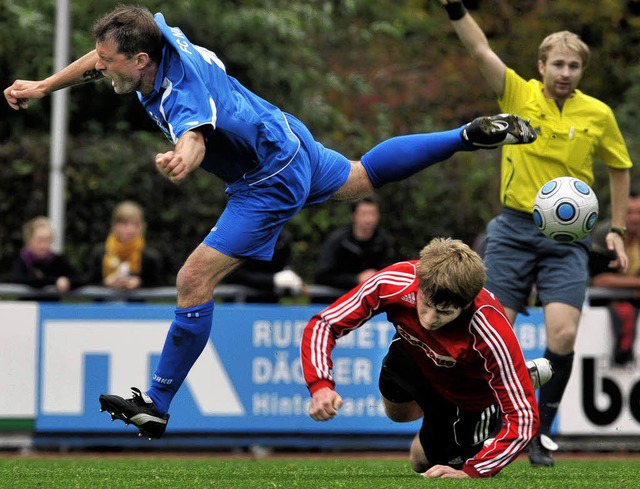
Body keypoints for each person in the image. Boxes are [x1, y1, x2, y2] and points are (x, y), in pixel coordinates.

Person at [4, 5, 536, 439]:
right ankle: (464, 137)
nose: (101, 68)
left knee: (193, 280)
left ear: (141, 59)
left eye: (109, 62)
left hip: (267, 177)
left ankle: (158, 403)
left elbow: (192, 133)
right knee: (359, 177)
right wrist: (44, 86)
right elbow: (102, 61)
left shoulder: (180, 94)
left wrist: (185, 158)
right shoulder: (157, 34)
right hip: (283, 132)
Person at [436, 0, 633, 467]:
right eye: (557, 64)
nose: (565, 72)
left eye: (574, 66)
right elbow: (481, 49)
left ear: (582, 70)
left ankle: (540, 428)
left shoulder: (598, 114)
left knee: (563, 335)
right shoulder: (518, 96)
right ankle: (491, 421)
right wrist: (456, 10)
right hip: (513, 230)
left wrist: (618, 230)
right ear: (541, 66)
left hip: (569, 240)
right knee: (491, 331)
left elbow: (620, 169)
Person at [301, 237, 553, 479]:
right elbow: (325, 324)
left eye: (444, 312)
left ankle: (502, 390)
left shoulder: (490, 328)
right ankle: (513, 381)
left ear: (466, 305)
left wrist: (473, 471)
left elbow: (524, 419)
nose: (429, 319)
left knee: (421, 462)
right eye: (426, 303)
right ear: (419, 283)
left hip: (468, 392)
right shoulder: (395, 281)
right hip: (414, 356)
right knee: (397, 415)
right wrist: (320, 384)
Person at [590, 191, 640, 366]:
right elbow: (599, 280)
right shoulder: (605, 234)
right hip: (608, 302)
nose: (634, 218)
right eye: (629, 212)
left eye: (639, 213)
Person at [314, 195, 393, 294]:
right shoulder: (338, 241)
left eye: (373, 214)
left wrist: (376, 277)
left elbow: (390, 272)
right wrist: (356, 279)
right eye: (364, 214)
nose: (368, 219)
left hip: (370, 299)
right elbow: (322, 275)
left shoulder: (382, 241)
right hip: (336, 298)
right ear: (354, 215)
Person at [85, 200, 163, 290]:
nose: (130, 230)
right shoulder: (100, 252)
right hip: (105, 303)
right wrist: (105, 283)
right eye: (125, 224)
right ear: (114, 225)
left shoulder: (149, 256)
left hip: (134, 304)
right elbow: (88, 281)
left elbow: (158, 285)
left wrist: (139, 282)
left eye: (136, 224)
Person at [11, 216, 84, 299]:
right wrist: (55, 281)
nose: (44, 245)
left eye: (48, 240)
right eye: (40, 240)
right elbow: (18, 279)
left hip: (52, 310)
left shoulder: (58, 260)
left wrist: (67, 282)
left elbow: (80, 279)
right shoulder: (22, 260)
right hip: (27, 309)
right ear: (29, 240)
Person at [223, 230, 304, 302]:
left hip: (269, 304)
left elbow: (287, 265)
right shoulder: (239, 237)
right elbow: (232, 275)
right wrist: (273, 279)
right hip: (238, 304)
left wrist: (290, 275)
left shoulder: (282, 239)